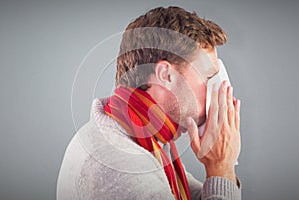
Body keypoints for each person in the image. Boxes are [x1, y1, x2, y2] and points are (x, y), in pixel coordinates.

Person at [57, 6, 242, 200]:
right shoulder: (119, 164)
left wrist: (222, 168)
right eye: (208, 77)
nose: (219, 90)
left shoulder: (144, 137)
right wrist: (221, 168)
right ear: (166, 75)